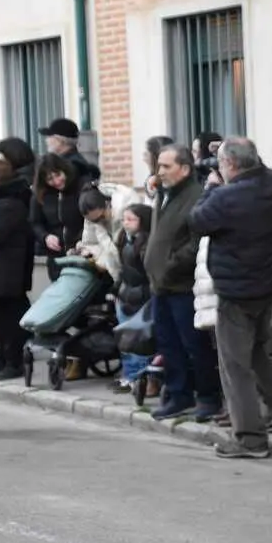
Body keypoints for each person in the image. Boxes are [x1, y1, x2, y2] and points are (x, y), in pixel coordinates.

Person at [189, 138, 272, 458]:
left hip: (236, 290)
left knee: (234, 365)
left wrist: (210, 188)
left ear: (230, 166)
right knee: (257, 348)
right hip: (268, 284)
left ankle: (249, 438)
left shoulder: (225, 198)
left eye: (221, 162)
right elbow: (254, 166)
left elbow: (197, 220)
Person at [144, 144, 222, 421]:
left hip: (182, 285)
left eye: (166, 166)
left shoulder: (195, 197)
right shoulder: (164, 195)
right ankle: (179, 395)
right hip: (160, 285)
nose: (159, 171)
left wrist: (169, 266)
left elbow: (195, 243)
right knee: (169, 345)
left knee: (194, 346)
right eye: (159, 165)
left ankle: (208, 398)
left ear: (185, 169)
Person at [0, 158, 33, 380]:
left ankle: (15, 363)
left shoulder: (9, 205)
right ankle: (5, 359)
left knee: (7, 320)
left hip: (4, 273)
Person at [30, 154, 92, 282]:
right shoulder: (41, 194)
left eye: (58, 175)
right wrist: (45, 237)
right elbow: (35, 222)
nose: (57, 182)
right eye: (50, 179)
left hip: (82, 250)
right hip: (56, 255)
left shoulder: (82, 185)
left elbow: (91, 218)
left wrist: (82, 241)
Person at [114, 204, 154, 394]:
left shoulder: (145, 243)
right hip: (126, 294)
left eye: (131, 219)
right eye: (124, 219)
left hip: (141, 295)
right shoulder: (124, 239)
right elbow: (123, 270)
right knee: (127, 339)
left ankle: (139, 378)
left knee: (138, 339)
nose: (126, 223)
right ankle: (129, 375)